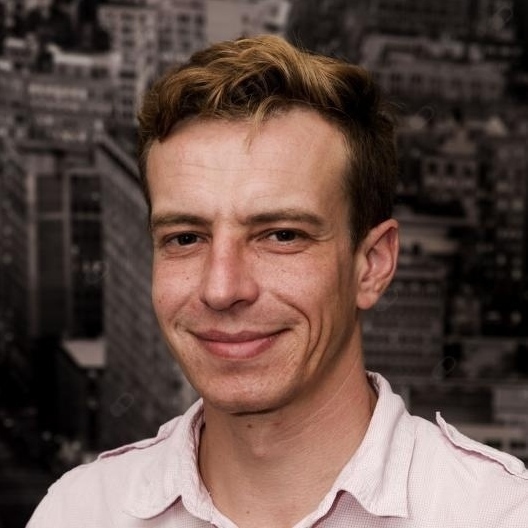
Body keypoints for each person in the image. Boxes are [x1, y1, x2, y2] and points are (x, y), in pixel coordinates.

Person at [28, 35, 528, 528]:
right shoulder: (79, 513)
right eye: (185, 238)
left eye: (282, 235)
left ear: (372, 264)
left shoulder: (500, 515)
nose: (222, 289)